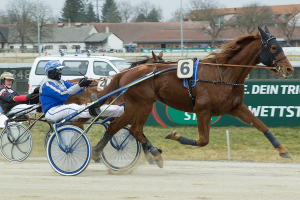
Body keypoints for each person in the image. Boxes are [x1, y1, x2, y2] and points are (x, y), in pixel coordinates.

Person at [39, 60, 124, 122]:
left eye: (61, 69)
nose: (61, 71)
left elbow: (74, 89)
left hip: (61, 109)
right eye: (58, 70)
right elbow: (63, 95)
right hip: (52, 112)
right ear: (51, 72)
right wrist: (79, 85)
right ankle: (94, 110)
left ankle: (121, 110)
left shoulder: (60, 81)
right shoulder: (47, 85)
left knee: (95, 107)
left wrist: (85, 85)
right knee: (72, 107)